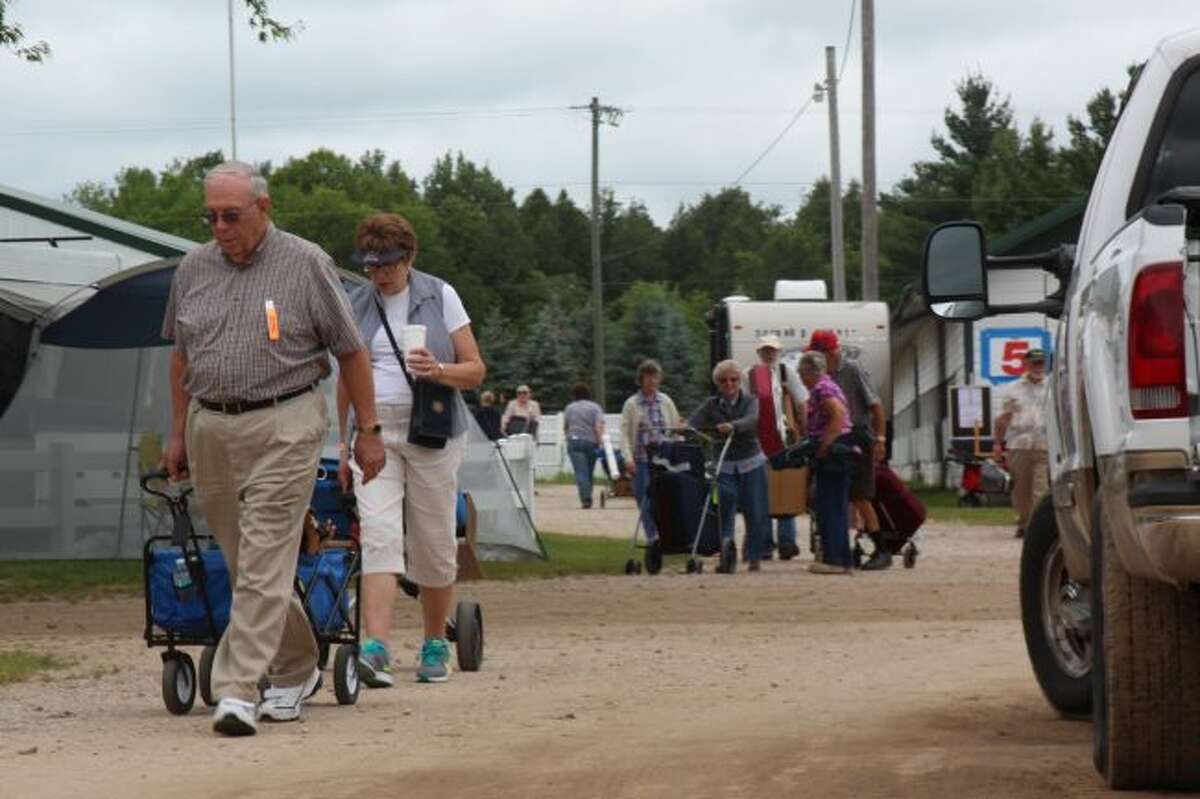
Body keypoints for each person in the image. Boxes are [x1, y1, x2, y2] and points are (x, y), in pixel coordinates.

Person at [161, 161, 385, 737]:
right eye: (209, 216)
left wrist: (368, 429)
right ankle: (296, 664)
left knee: (263, 556)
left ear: (264, 208)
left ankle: (235, 690)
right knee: (248, 563)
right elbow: (180, 357)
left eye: (230, 215)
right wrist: (178, 431)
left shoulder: (306, 263)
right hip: (213, 424)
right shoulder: (192, 269)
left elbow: (351, 352)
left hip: (287, 419)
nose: (219, 226)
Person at [337, 212, 486, 687]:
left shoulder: (440, 295)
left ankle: (434, 642)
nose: (379, 274)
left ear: (410, 258)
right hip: (374, 430)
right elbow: (346, 376)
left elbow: (476, 369)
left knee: (434, 539)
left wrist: (438, 369)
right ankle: (374, 647)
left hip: (433, 431)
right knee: (378, 535)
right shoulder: (355, 303)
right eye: (371, 265)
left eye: (388, 265)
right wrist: (342, 442)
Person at [806, 330, 890, 570]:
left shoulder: (851, 369)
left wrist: (880, 438)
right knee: (836, 496)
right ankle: (837, 550)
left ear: (831, 352)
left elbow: (875, 405)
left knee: (861, 495)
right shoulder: (823, 376)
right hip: (837, 441)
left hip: (858, 438)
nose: (816, 358)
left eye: (818, 353)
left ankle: (882, 549)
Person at [689, 360, 771, 571]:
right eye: (724, 380)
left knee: (755, 510)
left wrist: (733, 426)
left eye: (733, 380)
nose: (729, 384)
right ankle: (727, 555)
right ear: (718, 383)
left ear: (740, 381)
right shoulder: (711, 404)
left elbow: (752, 420)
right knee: (725, 508)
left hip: (751, 462)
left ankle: (753, 557)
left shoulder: (751, 401)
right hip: (724, 464)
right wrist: (686, 428)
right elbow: (693, 423)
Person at [746, 334, 807, 561]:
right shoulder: (751, 375)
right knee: (762, 490)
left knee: (785, 487)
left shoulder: (785, 372)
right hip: (758, 439)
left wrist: (803, 429)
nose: (769, 354)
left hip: (784, 437)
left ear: (778, 352)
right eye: (765, 350)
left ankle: (786, 541)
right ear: (759, 353)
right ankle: (764, 543)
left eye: (772, 350)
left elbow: (802, 400)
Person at [798, 350, 854, 576]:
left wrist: (824, 445)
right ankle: (842, 559)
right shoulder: (829, 384)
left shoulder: (822, 389)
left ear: (810, 372)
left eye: (801, 374)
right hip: (843, 451)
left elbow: (838, 415)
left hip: (835, 453)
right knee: (836, 507)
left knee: (830, 506)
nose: (801, 379)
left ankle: (835, 560)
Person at [620, 359, 681, 543]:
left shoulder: (666, 401)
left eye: (655, 377)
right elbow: (624, 434)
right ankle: (652, 537)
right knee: (645, 501)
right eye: (648, 377)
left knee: (664, 500)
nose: (652, 381)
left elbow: (675, 427)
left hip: (663, 459)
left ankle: (667, 536)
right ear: (641, 379)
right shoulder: (632, 404)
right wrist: (628, 459)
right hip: (641, 460)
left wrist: (679, 450)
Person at [993, 348, 1050, 539]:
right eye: (1034, 363)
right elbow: (1002, 419)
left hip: (1044, 442)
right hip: (1019, 443)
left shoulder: (1052, 386)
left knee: (1041, 488)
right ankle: (1023, 521)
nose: (1038, 367)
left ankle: (1036, 527)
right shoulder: (1013, 389)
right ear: (1025, 364)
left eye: (1041, 363)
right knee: (1021, 489)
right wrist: (997, 445)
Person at [562, 382, 606, 509]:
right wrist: (600, 442)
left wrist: (568, 438)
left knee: (581, 472)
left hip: (574, 442)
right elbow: (598, 426)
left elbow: (566, 427)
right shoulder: (595, 407)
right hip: (591, 442)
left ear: (574, 395)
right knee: (589, 471)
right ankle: (588, 496)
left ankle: (586, 499)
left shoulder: (569, 408)